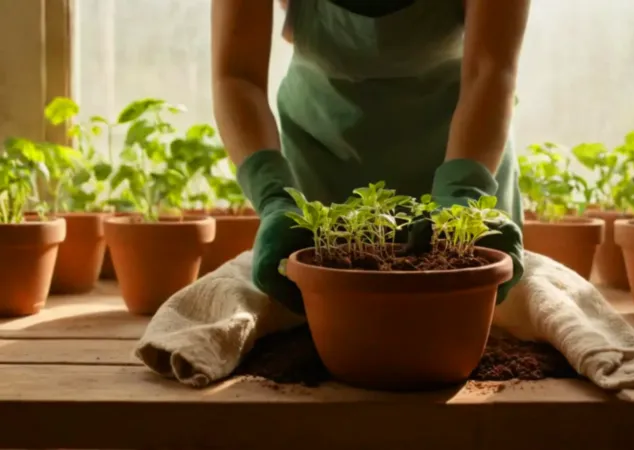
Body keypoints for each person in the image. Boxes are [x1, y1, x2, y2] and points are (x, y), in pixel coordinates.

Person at [211, 0, 530, 315]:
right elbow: (237, 76)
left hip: (462, 152)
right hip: (321, 162)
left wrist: (463, 193)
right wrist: (275, 196)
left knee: (464, 317)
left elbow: (491, 69)